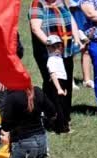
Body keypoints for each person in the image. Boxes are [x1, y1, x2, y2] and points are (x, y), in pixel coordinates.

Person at [29, 0, 82, 132]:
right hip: (49, 53)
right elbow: (35, 27)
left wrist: (77, 38)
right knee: (54, 85)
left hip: (65, 51)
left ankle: (65, 118)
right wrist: (51, 44)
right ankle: (56, 122)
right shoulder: (38, 3)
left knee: (67, 84)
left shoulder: (61, 2)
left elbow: (70, 19)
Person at [0, 87, 57, 158]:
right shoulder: (38, 91)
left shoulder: (12, 97)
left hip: (22, 144)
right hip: (41, 140)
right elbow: (52, 113)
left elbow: (6, 124)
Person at [45, 35, 69, 133]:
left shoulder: (59, 59)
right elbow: (53, 74)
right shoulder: (51, 60)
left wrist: (64, 87)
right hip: (56, 83)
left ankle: (64, 125)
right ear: (48, 48)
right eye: (54, 47)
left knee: (62, 105)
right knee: (58, 106)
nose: (57, 49)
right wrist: (59, 88)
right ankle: (61, 127)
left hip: (62, 82)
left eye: (59, 46)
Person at [69, 0, 94, 88]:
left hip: (85, 10)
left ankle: (87, 80)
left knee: (86, 46)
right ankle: (70, 81)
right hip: (72, 11)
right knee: (71, 49)